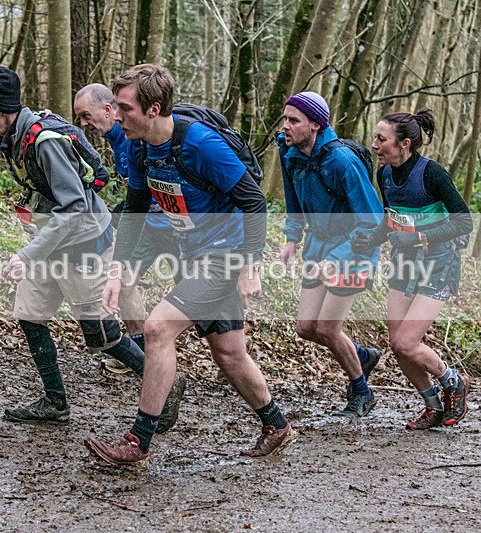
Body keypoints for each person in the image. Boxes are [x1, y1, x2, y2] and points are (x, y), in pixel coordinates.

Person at [83, 64, 293, 467]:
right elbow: (135, 210)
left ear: (153, 109)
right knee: (229, 352)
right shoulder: (141, 148)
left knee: (157, 328)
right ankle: (276, 424)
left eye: (125, 108)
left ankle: (138, 441)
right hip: (191, 252)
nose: (117, 115)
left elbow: (254, 201)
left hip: (226, 254)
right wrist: (118, 270)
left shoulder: (201, 144)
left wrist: (250, 265)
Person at [0, 66, 182, 431]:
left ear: (1, 110)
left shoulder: (45, 141)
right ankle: (55, 402)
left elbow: (75, 207)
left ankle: (167, 382)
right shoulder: (14, 136)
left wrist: (27, 255)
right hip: (50, 245)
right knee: (30, 315)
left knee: (103, 337)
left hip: (84, 247)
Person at [352, 108, 473, 430]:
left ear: (404, 144)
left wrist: (420, 237)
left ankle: (453, 381)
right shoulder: (384, 174)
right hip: (404, 263)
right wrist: (372, 239)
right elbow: (391, 218)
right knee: (398, 345)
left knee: (407, 342)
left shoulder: (432, 174)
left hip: (439, 263)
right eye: (375, 138)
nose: (374, 145)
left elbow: (464, 222)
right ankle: (432, 406)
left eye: (381, 139)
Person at [277, 91, 384, 418]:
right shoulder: (289, 151)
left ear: (316, 125)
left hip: (356, 250)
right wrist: (292, 239)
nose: (286, 126)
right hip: (318, 246)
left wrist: (336, 259)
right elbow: (293, 200)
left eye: (294, 121)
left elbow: (373, 221)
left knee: (326, 329)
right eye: (285, 119)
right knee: (305, 327)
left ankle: (362, 393)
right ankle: (360, 355)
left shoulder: (343, 162)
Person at [74, 84, 182, 353]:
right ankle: (141, 351)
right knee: (122, 281)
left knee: (197, 301)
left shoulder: (136, 134)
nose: (83, 124)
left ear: (107, 110)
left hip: (178, 228)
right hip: (148, 226)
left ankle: (233, 350)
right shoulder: (116, 138)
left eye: (86, 115)